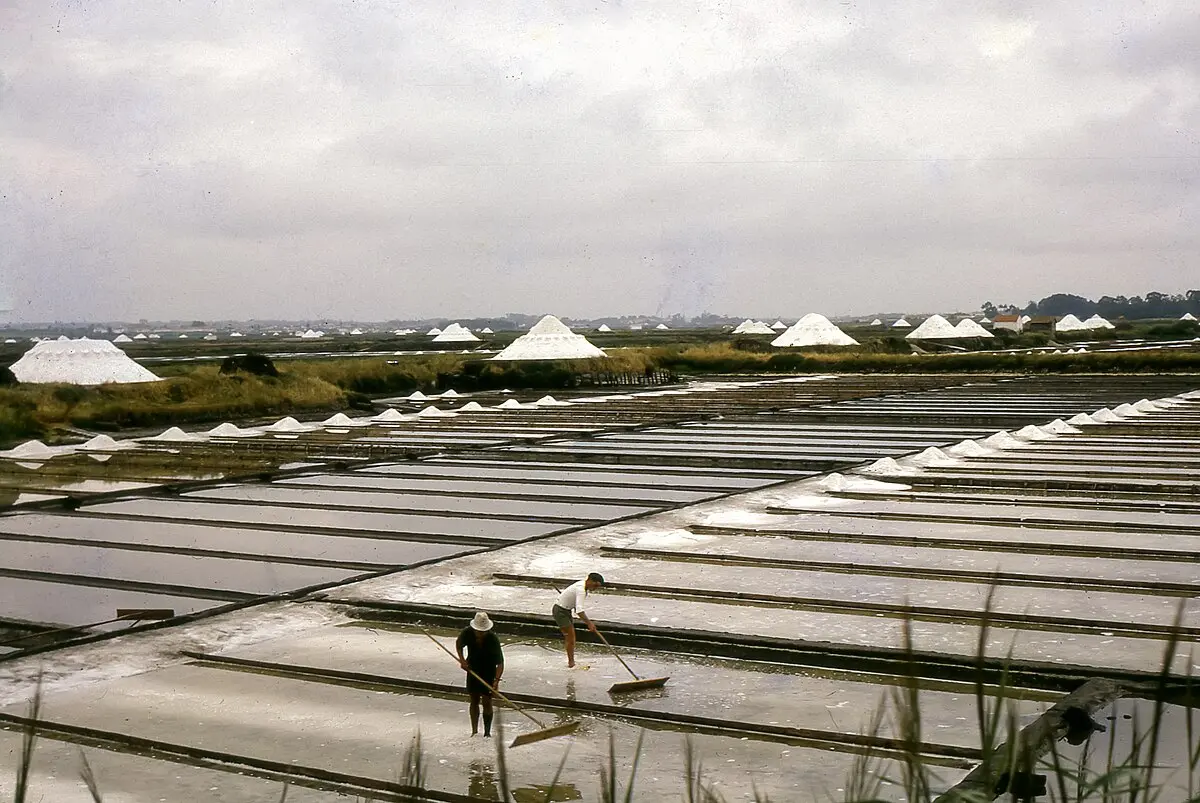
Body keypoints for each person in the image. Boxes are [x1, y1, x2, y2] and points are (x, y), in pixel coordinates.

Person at [455, 611, 504, 737]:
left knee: (487, 702)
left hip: (488, 670)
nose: (480, 634)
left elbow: (500, 664)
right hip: (473, 668)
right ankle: (474, 731)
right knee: (474, 700)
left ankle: (487, 733)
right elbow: (459, 644)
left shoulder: (493, 639)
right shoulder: (467, 633)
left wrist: (496, 681)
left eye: (483, 632)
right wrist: (462, 660)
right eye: (478, 631)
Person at [552, 572, 605, 668]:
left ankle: (571, 662)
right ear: (589, 580)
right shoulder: (581, 589)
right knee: (570, 638)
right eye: (595, 585)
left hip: (566, 610)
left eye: (598, 586)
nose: (595, 588)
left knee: (571, 637)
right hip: (560, 611)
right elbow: (579, 611)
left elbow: (577, 608)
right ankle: (571, 663)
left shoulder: (583, 588)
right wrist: (589, 624)